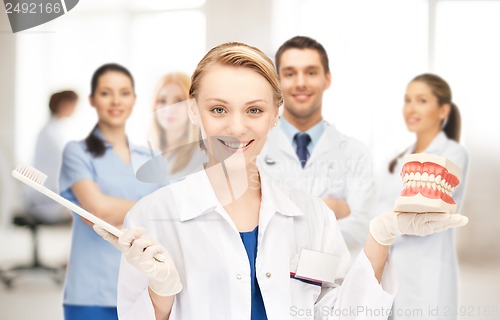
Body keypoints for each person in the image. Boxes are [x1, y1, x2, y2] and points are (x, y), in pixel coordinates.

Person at [94, 43, 468, 320]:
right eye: (218, 109)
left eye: (254, 110)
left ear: (276, 114)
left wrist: (380, 237)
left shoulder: (311, 215)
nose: (237, 127)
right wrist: (161, 294)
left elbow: (344, 315)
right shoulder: (153, 217)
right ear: (194, 110)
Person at [58, 63, 162, 320]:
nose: (116, 100)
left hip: (144, 289)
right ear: (92, 100)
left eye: (124, 93)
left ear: (134, 100)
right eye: (106, 93)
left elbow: (170, 214)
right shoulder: (77, 152)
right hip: (92, 291)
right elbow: (98, 210)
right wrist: (151, 207)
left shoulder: (150, 157)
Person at [258, 36, 375, 258]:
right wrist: (326, 209)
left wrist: (285, 220)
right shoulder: (254, 150)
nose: (300, 82)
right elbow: (249, 223)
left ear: (327, 79)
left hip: (334, 286)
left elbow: (361, 228)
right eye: (290, 73)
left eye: (311, 72)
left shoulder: (355, 153)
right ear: (277, 82)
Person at [375, 73, 468, 320]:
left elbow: (427, 203)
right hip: (391, 270)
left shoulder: (454, 153)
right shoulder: (395, 161)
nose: (411, 108)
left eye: (421, 100)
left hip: (428, 271)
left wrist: (388, 221)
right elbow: (377, 211)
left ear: (442, 110)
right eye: (407, 100)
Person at [24, 90, 78, 224]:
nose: (74, 110)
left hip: (53, 194)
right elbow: (59, 169)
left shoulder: (54, 131)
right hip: (46, 199)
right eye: (73, 105)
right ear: (63, 105)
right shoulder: (49, 134)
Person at [141, 72, 205, 183]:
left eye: (179, 101)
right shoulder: (146, 154)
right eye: (162, 101)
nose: (169, 108)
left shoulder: (202, 155)